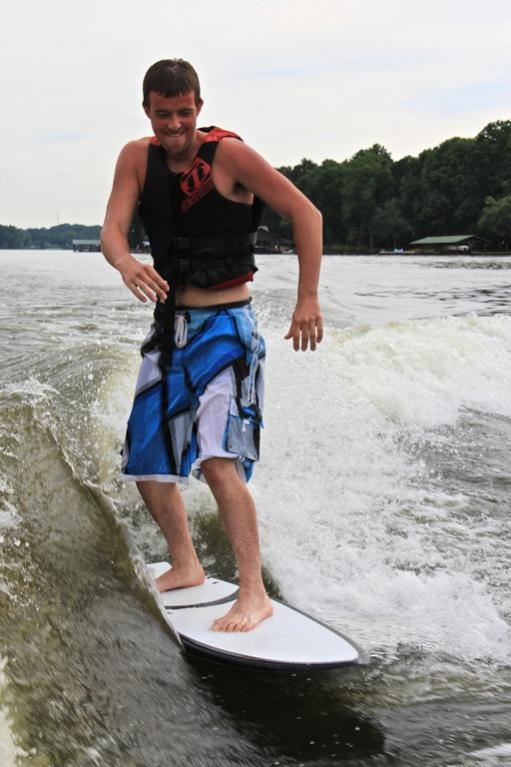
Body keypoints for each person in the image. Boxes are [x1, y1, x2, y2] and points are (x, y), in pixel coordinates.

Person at [101, 59, 323, 632]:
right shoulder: (136, 158)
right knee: (146, 463)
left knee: (219, 458)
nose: (173, 124)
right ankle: (186, 565)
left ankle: (254, 594)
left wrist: (307, 299)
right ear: (147, 111)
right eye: (162, 114)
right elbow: (112, 232)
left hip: (226, 328)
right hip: (170, 332)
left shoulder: (230, 156)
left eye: (183, 112)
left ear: (198, 107)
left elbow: (306, 213)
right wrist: (125, 262)